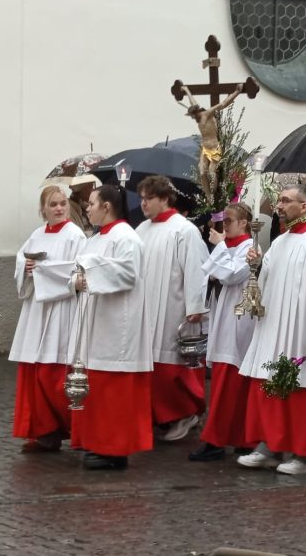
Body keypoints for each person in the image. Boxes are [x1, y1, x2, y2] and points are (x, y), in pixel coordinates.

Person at [237, 185, 306, 475]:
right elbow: (268, 283)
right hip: (274, 326)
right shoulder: (280, 242)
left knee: (302, 389)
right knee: (268, 383)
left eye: (286, 201)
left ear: (305, 206)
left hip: (304, 327)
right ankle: (270, 446)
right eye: (279, 201)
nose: (280, 206)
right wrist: (257, 267)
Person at [67, 184, 151, 470]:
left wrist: (89, 269)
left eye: (91, 203)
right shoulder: (95, 238)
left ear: (106, 206)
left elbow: (128, 274)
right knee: (98, 389)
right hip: (96, 322)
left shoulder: (127, 237)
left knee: (114, 391)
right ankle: (96, 442)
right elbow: (78, 271)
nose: (86, 208)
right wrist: (77, 279)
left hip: (118, 326)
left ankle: (115, 450)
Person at [9, 186, 86, 452]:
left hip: (61, 309)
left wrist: (42, 271)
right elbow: (22, 260)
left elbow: (78, 271)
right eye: (53, 204)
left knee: (54, 372)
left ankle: (70, 427)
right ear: (43, 208)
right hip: (36, 310)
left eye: (62, 203)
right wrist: (27, 268)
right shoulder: (36, 235)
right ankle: (44, 431)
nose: (59, 208)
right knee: (35, 369)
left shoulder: (74, 235)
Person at [133, 175, 209, 441]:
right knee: (150, 366)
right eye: (141, 198)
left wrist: (195, 306)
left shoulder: (184, 230)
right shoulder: (141, 230)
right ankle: (159, 415)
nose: (143, 204)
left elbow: (197, 269)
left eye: (149, 198)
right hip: (145, 306)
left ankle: (186, 413)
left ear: (164, 198)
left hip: (173, 307)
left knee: (172, 367)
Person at [189, 202, 256, 462]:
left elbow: (231, 275)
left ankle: (218, 439)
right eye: (223, 220)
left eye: (229, 220)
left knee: (231, 384)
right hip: (222, 317)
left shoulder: (249, 248)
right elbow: (209, 274)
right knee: (223, 383)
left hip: (238, 322)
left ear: (244, 224)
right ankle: (238, 437)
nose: (224, 225)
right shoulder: (229, 247)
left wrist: (218, 246)